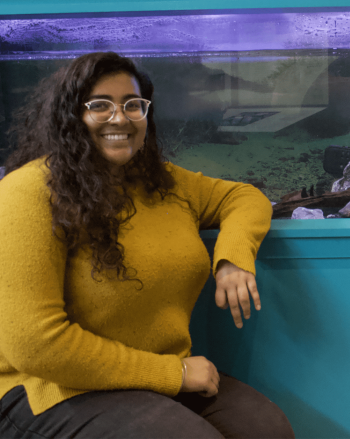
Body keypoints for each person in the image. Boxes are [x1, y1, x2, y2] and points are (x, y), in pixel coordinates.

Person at [0, 52, 294, 438]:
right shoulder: (27, 193)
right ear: (70, 117)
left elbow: (243, 197)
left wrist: (233, 258)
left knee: (267, 430)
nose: (120, 118)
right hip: (49, 386)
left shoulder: (160, 182)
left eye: (132, 105)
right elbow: (36, 346)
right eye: (100, 105)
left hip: (152, 377)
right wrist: (174, 374)